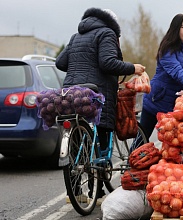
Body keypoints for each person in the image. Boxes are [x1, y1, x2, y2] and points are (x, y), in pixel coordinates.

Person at [55, 7, 145, 198]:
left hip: (72, 92)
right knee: (101, 138)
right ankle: (99, 189)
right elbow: (107, 63)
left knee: (78, 139)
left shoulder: (76, 36)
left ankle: (77, 192)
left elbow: (60, 63)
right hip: (97, 91)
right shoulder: (107, 33)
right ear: (112, 23)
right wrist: (132, 67)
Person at [139, 13, 183, 141]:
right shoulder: (167, 49)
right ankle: (132, 159)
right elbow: (177, 72)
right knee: (142, 138)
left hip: (178, 103)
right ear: (176, 29)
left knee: (174, 140)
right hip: (158, 99)